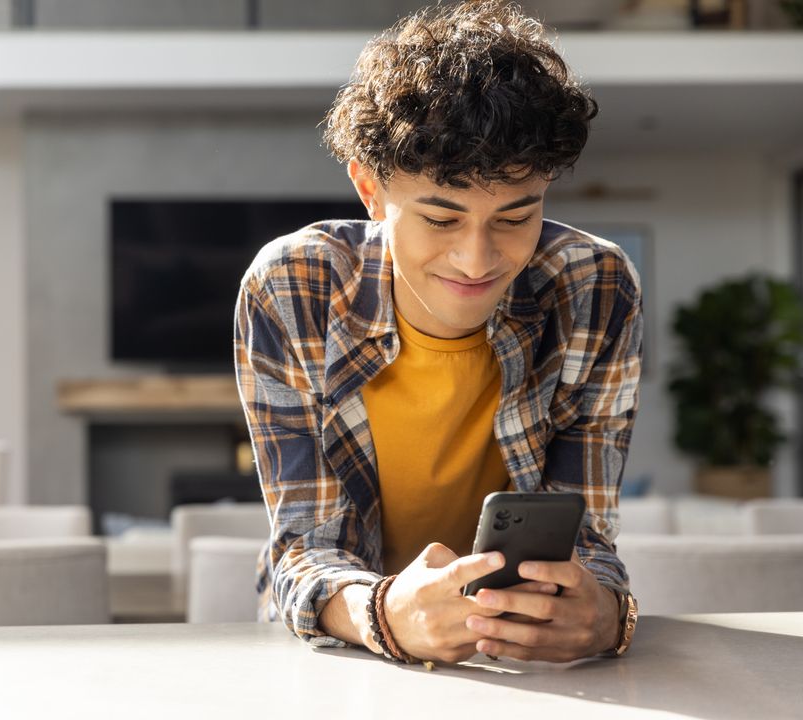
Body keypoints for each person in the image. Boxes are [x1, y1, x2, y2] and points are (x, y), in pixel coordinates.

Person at [233, 0, 642, 665]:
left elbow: (587, 532)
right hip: (339, 642)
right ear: (369, 189)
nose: (479, 260)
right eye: (442, 219)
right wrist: (387, 615)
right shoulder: (292, 285)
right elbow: (305, 546)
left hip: (512, 649)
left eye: (516, 216)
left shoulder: (594, 285)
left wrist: (605, 616)